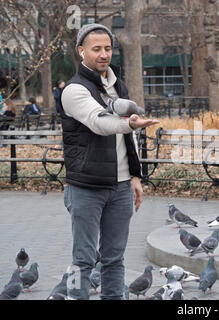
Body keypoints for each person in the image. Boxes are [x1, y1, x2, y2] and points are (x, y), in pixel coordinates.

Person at [60, 23, 159, 300]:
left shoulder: (118, 86)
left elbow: (128, 139)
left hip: (120, 188)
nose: (104, 54)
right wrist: (130, 123)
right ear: (81, 51)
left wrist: (135, 176)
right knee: (83, 260)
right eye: (96, 49)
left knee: (114, 259)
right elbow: (99, 123)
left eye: (108, 48)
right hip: (85, 187)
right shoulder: (74, 90)